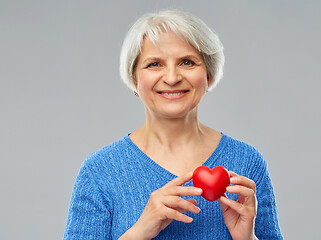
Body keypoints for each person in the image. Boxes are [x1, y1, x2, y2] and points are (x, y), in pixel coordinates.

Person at [63, 10, 283, 240]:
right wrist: (138, 233)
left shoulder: (247, 162)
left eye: (187, 62)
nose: (171, 77)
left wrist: (247, 239)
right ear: (134, 79)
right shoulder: (99, 172)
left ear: (208, 75)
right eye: (154, 64)